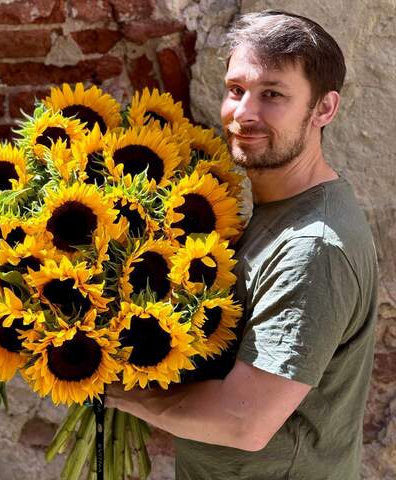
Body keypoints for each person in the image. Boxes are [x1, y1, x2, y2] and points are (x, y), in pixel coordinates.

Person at [107, 10, 378, 480]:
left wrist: (116, 389)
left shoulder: (313, 250)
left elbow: (244, 421)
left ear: (324, 109)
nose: (244, 113)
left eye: (272, 94)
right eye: (236, 91)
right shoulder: (279, 211)